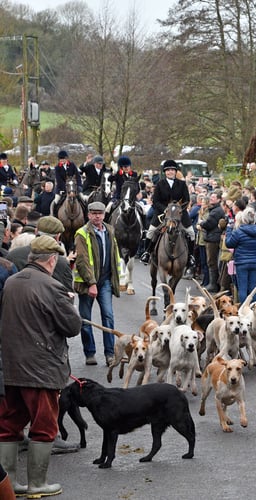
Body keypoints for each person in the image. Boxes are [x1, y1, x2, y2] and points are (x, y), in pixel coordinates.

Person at [0, 235, 82, 498]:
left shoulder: (11, 282)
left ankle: (8, 483)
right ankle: (37, 484)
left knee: (9, 424)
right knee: (44, 425)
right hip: (41, 369)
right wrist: (69, 302)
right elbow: (72, 327)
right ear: (52, 260)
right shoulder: (52, 286)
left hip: (11, 366)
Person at [74, 201, 121, 366]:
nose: (97, 216)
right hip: (88, 283)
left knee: (108, 317)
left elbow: (114, 256)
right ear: (88, 215)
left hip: (106, 281)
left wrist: (116, 279)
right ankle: (90, 353)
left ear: (103, 215)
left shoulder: (109, 230)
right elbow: (82, 261)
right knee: (86, 320)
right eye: (93, 213)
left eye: (99, 213)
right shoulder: (82, 233)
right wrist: (91, 283)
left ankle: (110, 354)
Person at [140, 160, 195, 265]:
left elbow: (187, 200)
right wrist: (165, 209)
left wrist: (179, 210)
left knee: (191, 233)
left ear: (175, 171)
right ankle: (146, 253)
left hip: (179, 214)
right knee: (151, 231)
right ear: (165, 172)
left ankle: (190, 256)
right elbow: (156, 201)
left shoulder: (182, 184)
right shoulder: (160, 184)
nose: (170, 172)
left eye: (172, 170)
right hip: (162, 213)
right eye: (168, 170)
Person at [225, 209, 256, 304]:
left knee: (242, 288)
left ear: (244, 219)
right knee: (253, 288)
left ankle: (243, 310)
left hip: (241, 263)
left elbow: (229, 244)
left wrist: (228, 230)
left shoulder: (238, 232)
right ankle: (252, 309)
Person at [200, 191, 226, 292]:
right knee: (211, 261)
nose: (211, 198)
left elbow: (208, 224)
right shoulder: (215, 210)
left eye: (214, 197)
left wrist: (201, 223)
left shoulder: (216, 211)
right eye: (211, 197)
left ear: (219, 199)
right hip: (212, 237)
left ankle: (213, 284)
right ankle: (212, 283)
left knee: (212, 261)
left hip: (213, 239)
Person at [51, 150, 83, 216]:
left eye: (63, 159)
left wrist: (79, 185)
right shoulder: (57, 168)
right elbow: (59, 180)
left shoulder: (72, 165)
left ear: (66, 158)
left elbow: (78, 176)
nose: (61, 160)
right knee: (55, 202)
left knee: (83, 200)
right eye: (60, 159)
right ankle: (54, 216)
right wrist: (66, 189)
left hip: (74, 187)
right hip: (61, 188)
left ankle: (86, 217)